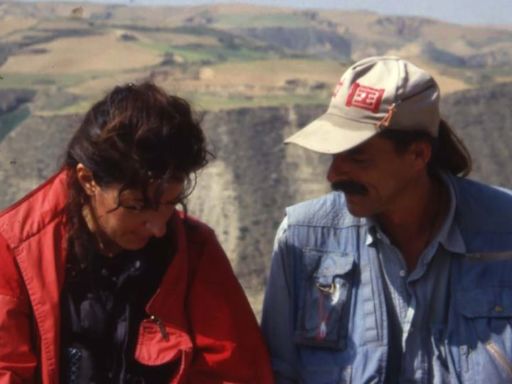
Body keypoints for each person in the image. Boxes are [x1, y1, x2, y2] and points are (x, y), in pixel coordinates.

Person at [0, 82, 273, 384]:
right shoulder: (14, 251)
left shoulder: (195, 251)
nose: (158, 228)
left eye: (170, 204)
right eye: (136, 206)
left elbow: (237, 372)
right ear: (87, 179)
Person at [261, 56, 512, 383]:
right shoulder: (302, 239)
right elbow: (277, 373)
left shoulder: (505, 230)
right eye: (333, 155)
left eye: (358, 158)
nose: (333, 174)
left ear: (418, 155)